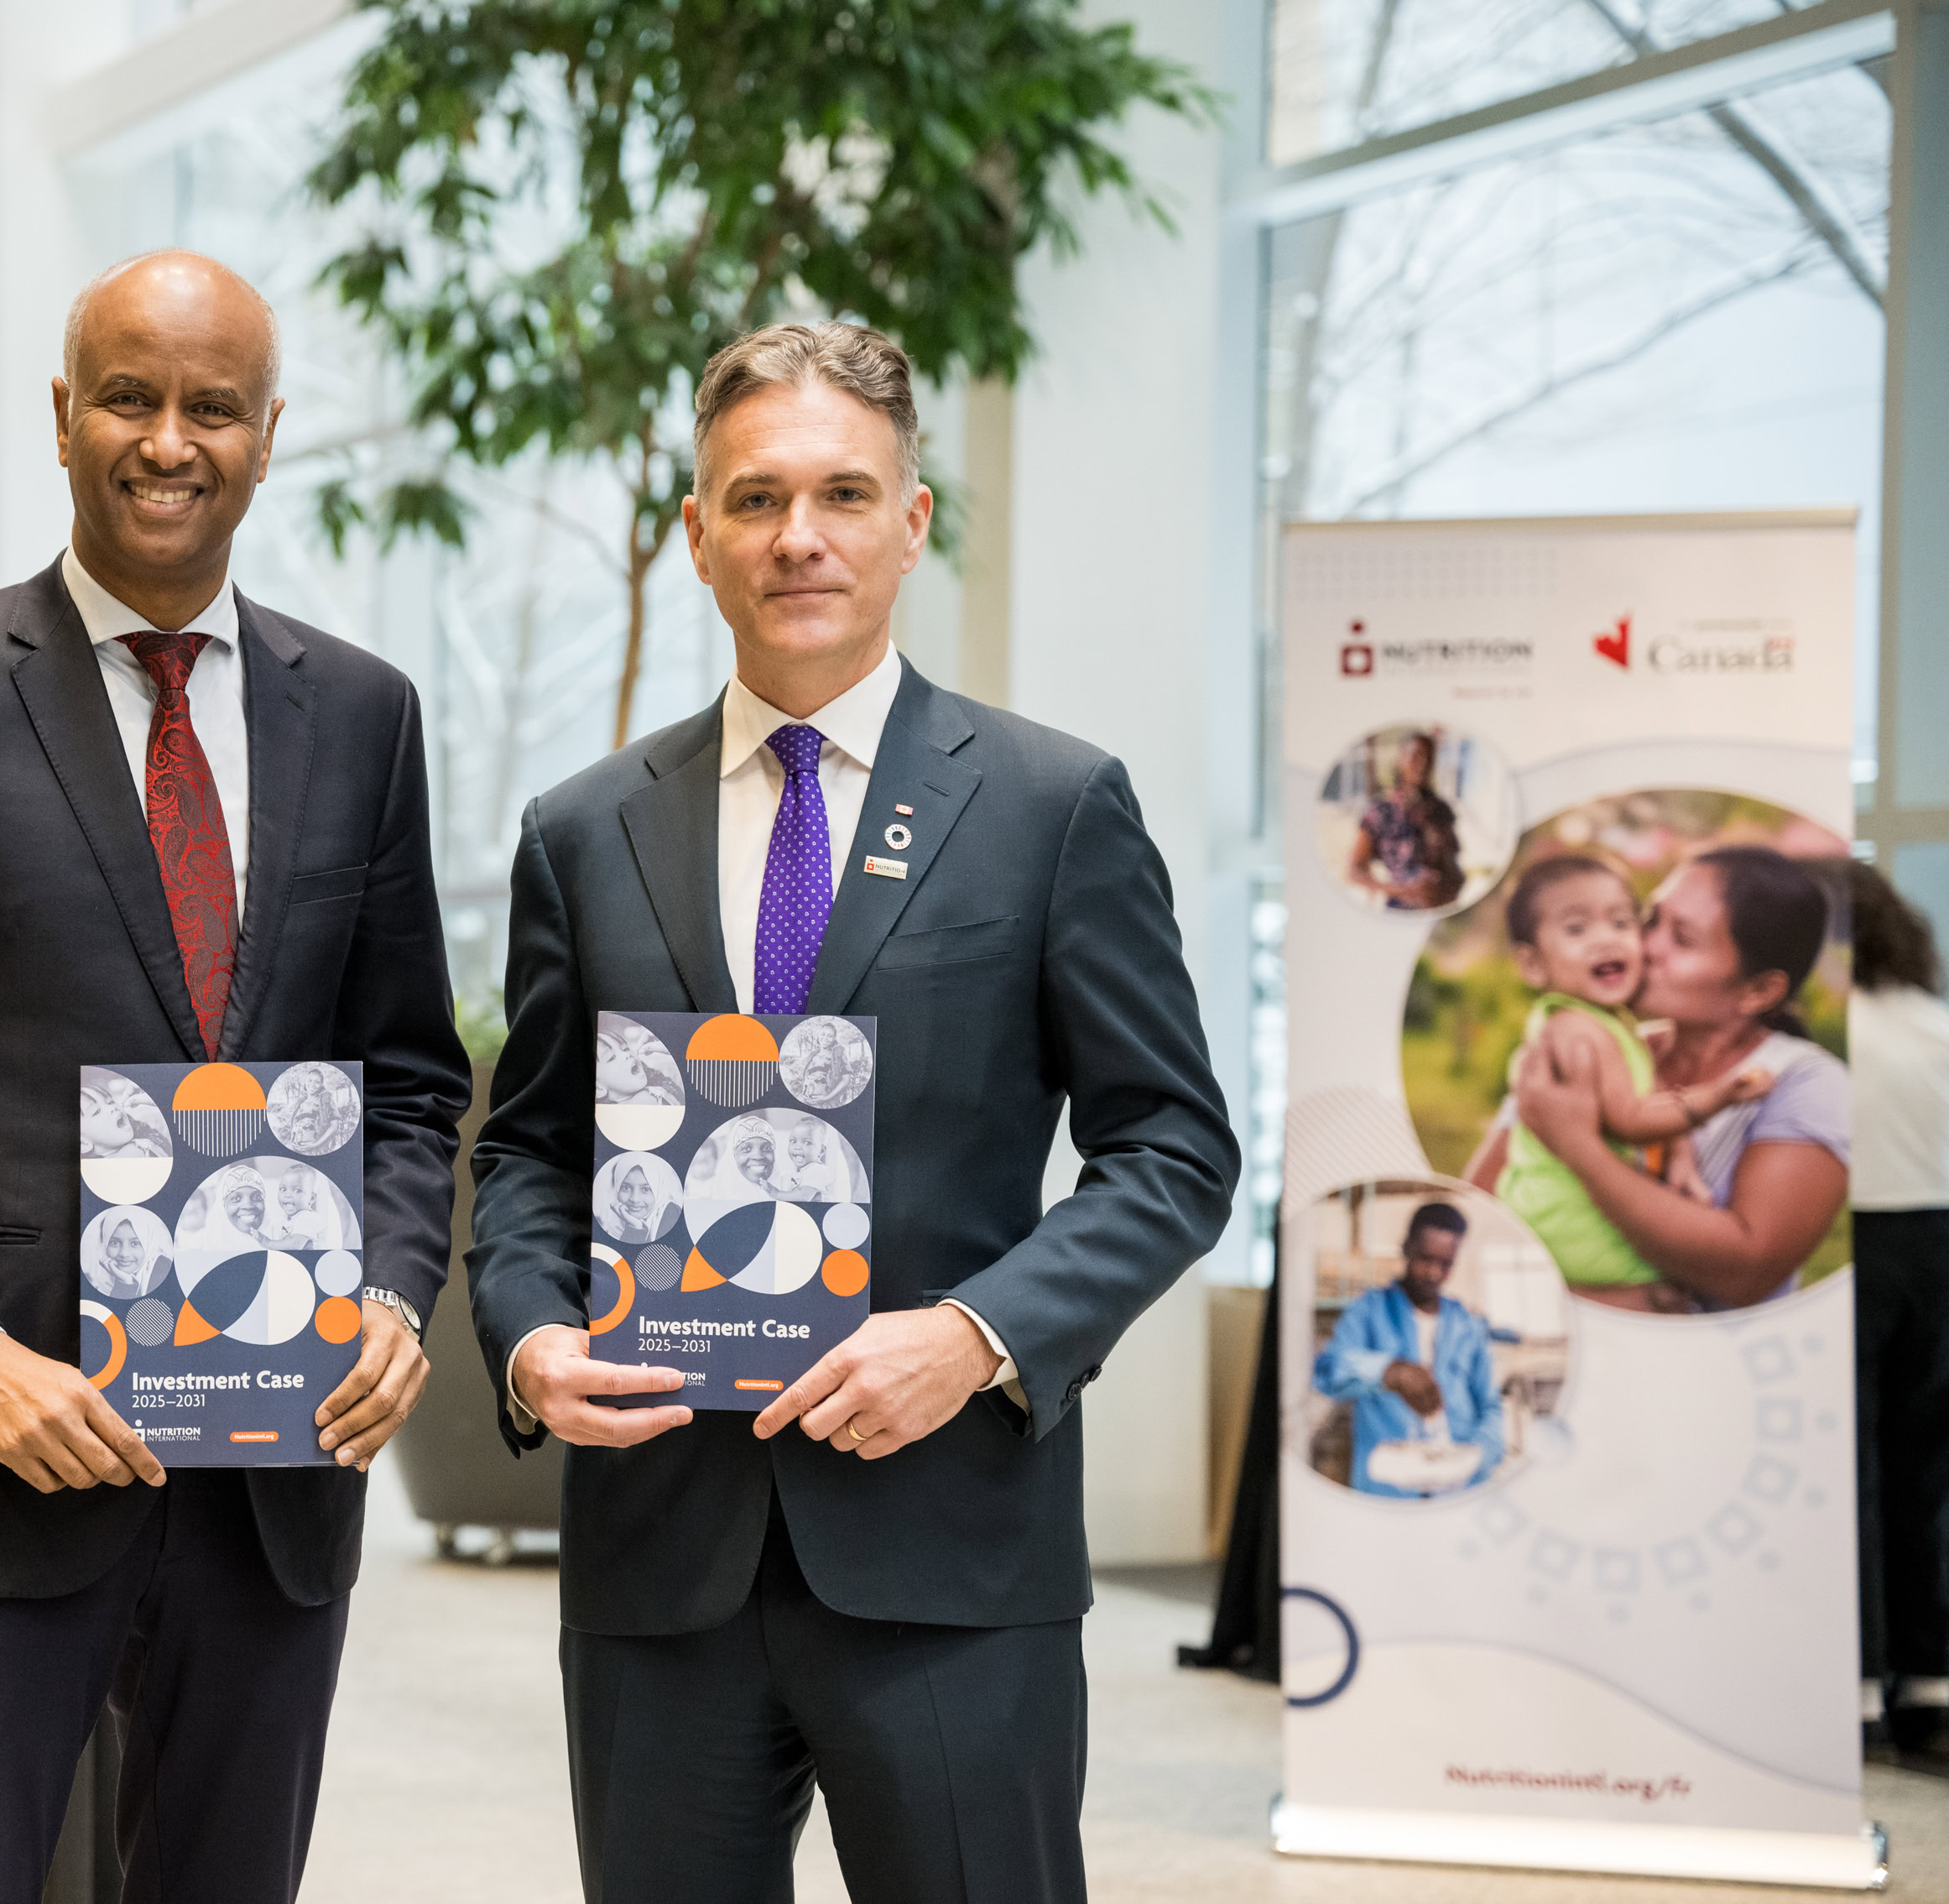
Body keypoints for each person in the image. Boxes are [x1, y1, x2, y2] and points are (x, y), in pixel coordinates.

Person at [0, 250, 468, 1904]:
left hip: (271, 1484)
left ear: (272, 436)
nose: (168, 439)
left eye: (214, 406)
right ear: (63, 418)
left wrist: (401, 1296)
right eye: (130, 395)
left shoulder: (362, 715)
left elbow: (409, 1079)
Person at [467, 322, 1237, 1904]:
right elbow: (531, 1152)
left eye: (838, 492)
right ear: (694, 533)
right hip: (658, 1551)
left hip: (948, 1549)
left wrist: (973, 1333)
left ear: (910, 520)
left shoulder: (1048, 804)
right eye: (752, 499)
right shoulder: (579, 831)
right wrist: (530, 1340)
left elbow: (1169, 1146)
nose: (795, 536)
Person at [1509, 843, 1847, 1311]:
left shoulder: (1806, 1084)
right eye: (1649, 920)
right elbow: (1485, 1204)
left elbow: (1745, 1272)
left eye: (1681, 939)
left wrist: (1581, 1149)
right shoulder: (1593, 1043)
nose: (1644, 947)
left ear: (1758, 990)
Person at [1483, 853, 1774, 1297]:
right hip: (1568, 1223)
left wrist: (1679, 1151)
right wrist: (1718, 1096)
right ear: (1533, 965)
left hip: (1558, 1209)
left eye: (1621, 923)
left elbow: (1650, 1090)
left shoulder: (1605, 1023)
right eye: (1577, 929)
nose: (1606, 941)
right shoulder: (1580, 1035)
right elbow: (1632, 1121)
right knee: (1672, 1283)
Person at [1849, 863, 1949, 1750]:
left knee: (1848, 1475)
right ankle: (1929, 1681)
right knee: (1925, 1475)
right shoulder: (1935, 1026)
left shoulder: (1822, 1035)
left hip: (1851, 1250)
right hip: (1938, 1248)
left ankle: (1857, 1694)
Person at [1311, 1202, 1506, 1498]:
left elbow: (1491, 1407)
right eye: (1425, 1258)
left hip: (1457, 1494)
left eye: (1446, 1263)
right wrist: (1388, 1372)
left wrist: (1476, 1457)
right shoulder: (1370, 1310)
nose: (1434, 1272)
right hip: (1388, 1495)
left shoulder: (1468, 1325)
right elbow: (1327, 1372)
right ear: (1406, 1248)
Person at [1346, 730, 1465, 910]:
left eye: (1429, 758)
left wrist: (1442, 890)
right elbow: (1355, 871)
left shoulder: (1440, 811)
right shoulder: (1380, 810)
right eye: (1415, 755)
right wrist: (1400, 890)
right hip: (1398, 911)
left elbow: (1456, 873)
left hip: (1437, 912)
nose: (1423, 763)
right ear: (1401, 760)